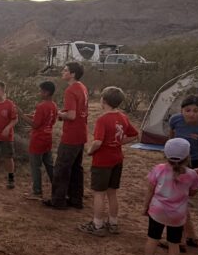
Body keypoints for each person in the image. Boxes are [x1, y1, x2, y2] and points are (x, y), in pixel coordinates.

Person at [139, 138, 198, 255]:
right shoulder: (192, 174)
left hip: (157, 211)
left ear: (165, 154)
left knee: (152, 239)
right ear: (187, 156)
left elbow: (150, 190)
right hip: (177, 215)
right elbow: (192, 193)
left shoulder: (159, 169)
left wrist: (145, 207)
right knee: (174, 244)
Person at [81, 86, 138, 235]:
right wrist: (118, 142)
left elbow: (98, 142)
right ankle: (113, 223)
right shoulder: (123, 117)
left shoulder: (103, 119)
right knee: (112, 192)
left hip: (102, 161)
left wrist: (90, 150)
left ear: (104, 100)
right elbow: (134, 135)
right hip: (117, 159)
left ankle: (97, 225)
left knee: (99, 193)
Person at [168, 95, 198, 248]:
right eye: (188, 110)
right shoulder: (175, 120)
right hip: (180, 162)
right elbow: (171, 136)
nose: (191, 114)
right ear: (182, 110)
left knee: (180, 198)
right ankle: (189, 236)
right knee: (179, 198)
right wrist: (170, 155)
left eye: (196, 111)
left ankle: (181, 240)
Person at [46, 62, 89, 209]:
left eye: (65, 70)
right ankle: (76, 199)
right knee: (76, 168)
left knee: (61, 168)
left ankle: (58, 201)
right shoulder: (82, 87)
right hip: (81, 132)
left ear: (73, 74)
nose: (62, 72)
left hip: (71, 135)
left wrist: (59, 113)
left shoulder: (70, 90)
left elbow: (71, 115)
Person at [24, 81, 58, 200]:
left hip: (38, 140)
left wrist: (21, 115)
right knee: (49, 165)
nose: (40, 93)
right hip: (47, 138)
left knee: (36, 166)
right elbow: (50, 121)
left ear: (46, 92)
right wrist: (27, 115)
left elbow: (35, 124)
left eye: (41, 91)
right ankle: (58, 188)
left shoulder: (41, 106)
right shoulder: (53, 105)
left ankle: (37, 191)